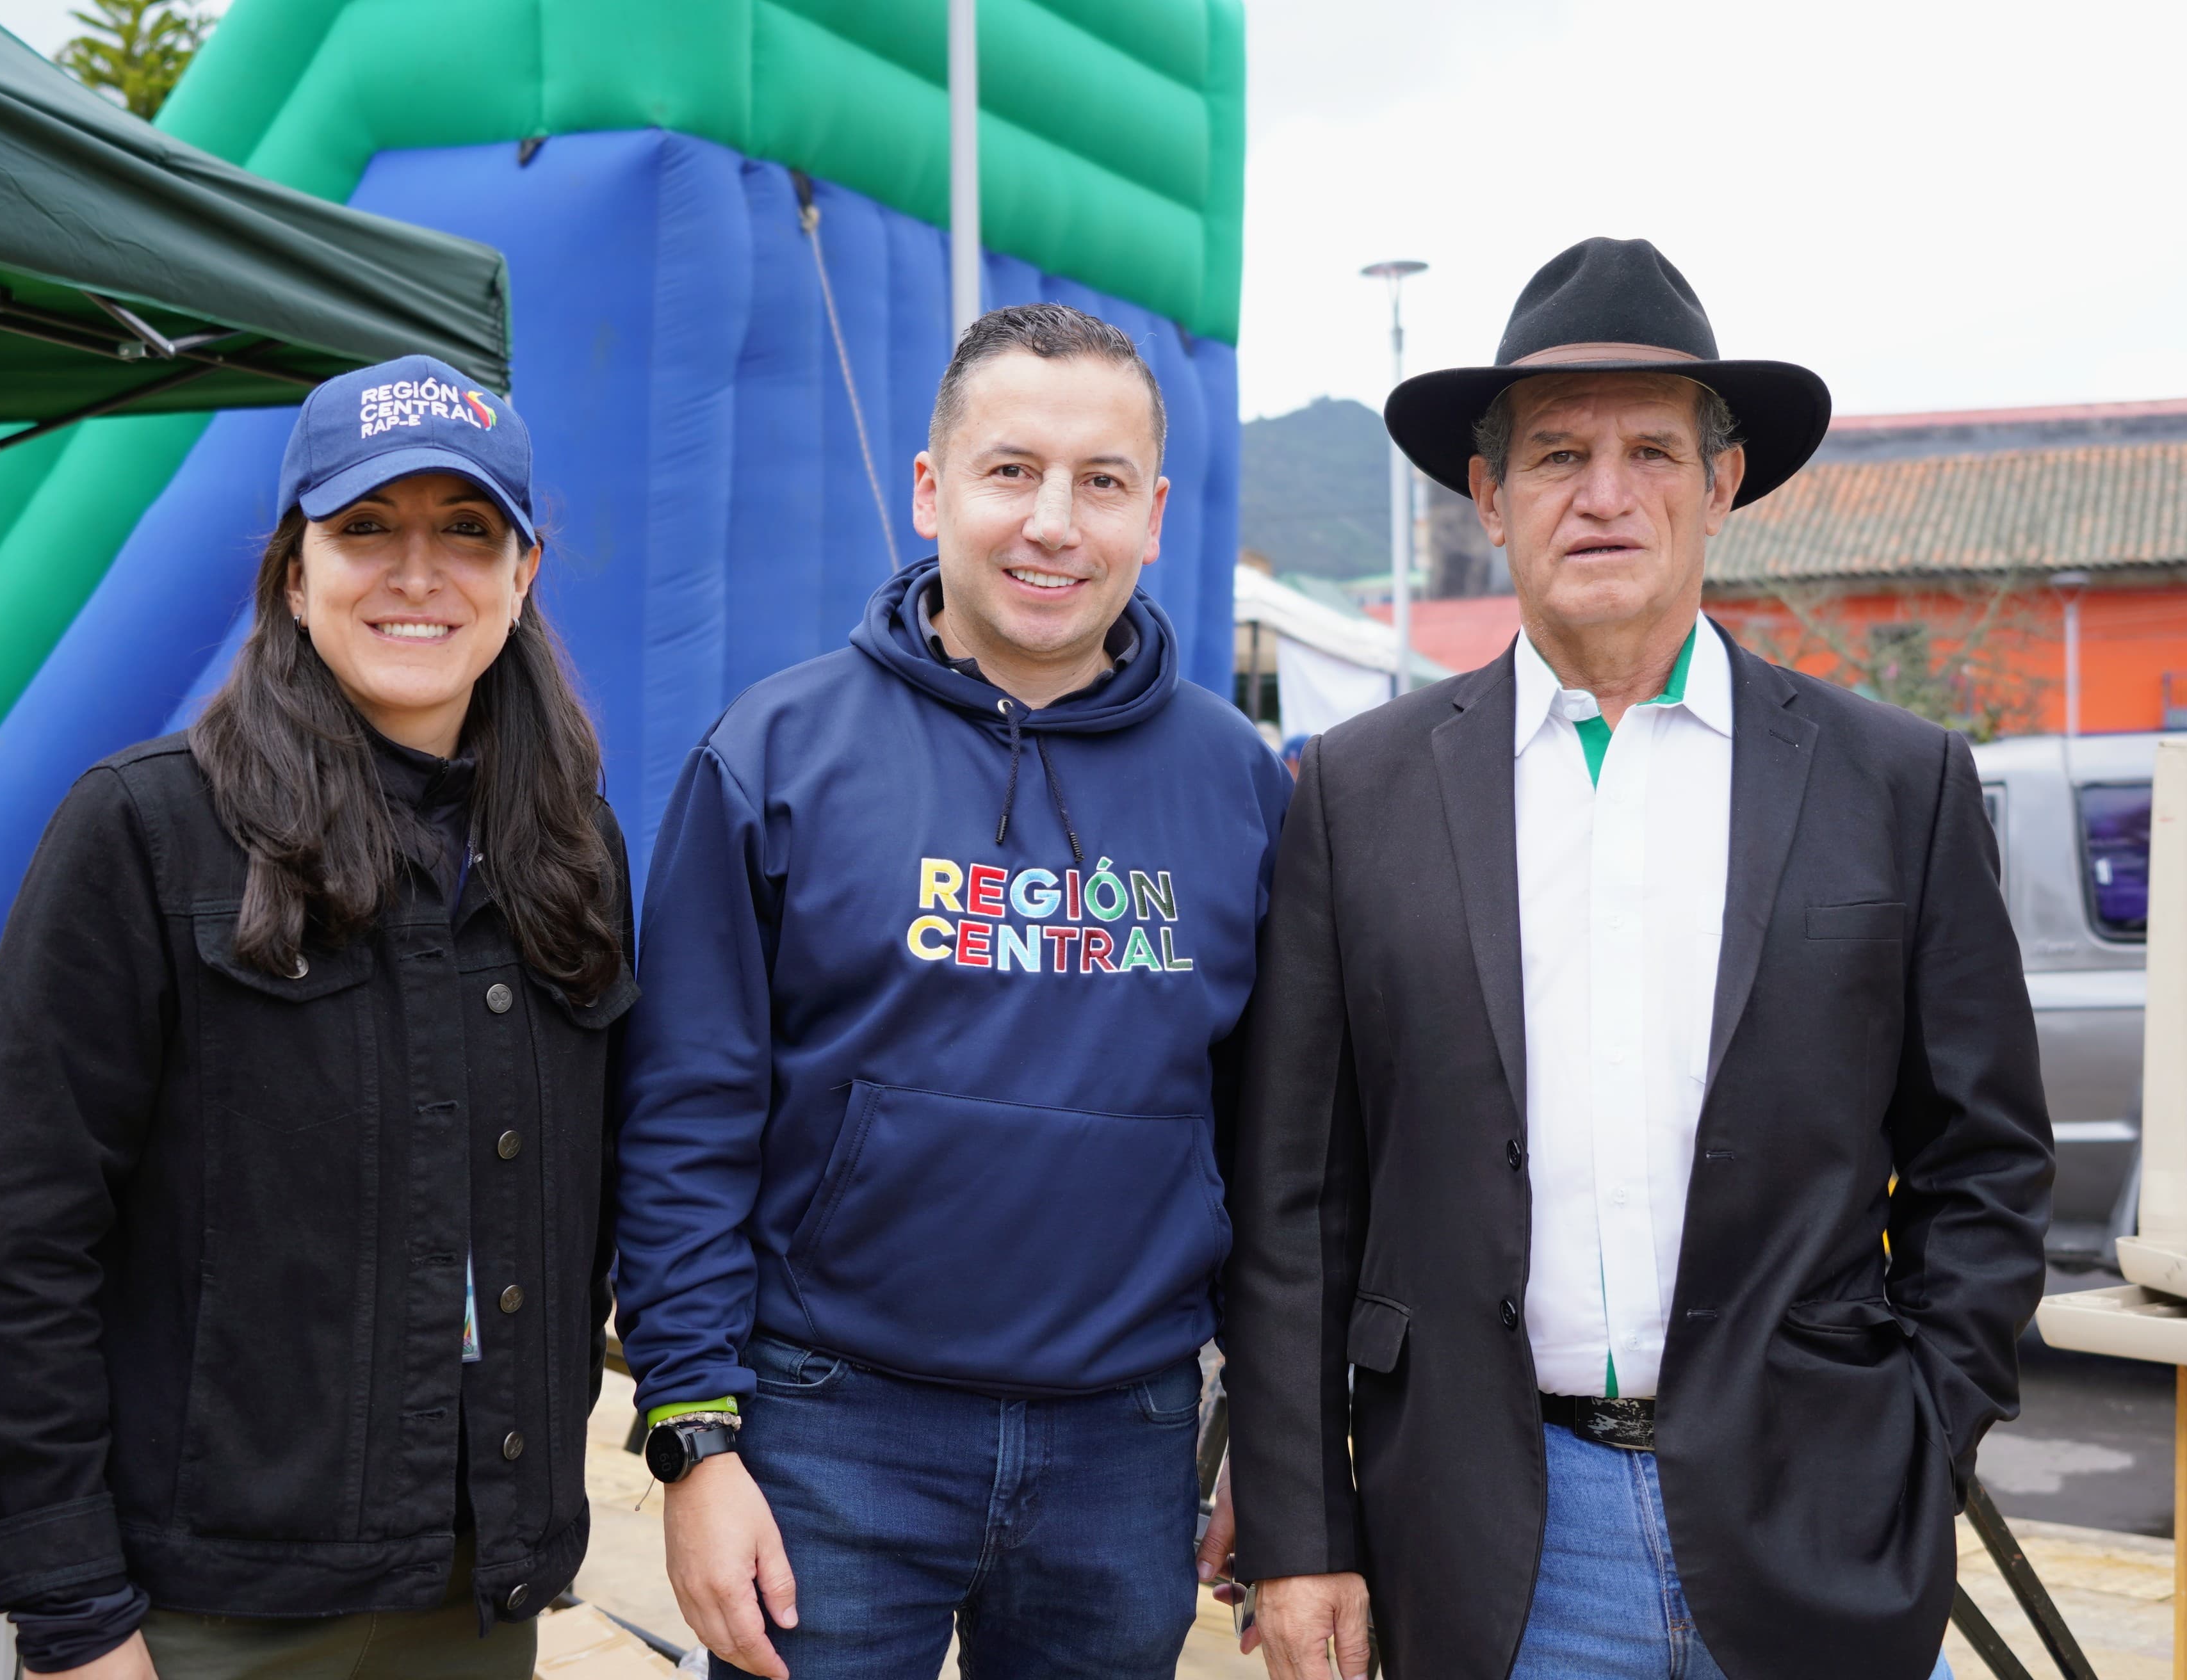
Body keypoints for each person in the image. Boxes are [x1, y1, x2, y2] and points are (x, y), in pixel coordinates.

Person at [1214, 239, 2053, 1680]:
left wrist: (1917, 1442)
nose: (1605, 495)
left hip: (1818, 1525)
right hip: (1484, 1543)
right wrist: (1301, 1533)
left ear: (1721, 484)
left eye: (1652, 451)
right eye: (1557, 455)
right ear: (1490, 495)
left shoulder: (1893, 782)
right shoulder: (1357, 794)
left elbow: (1986, 1163)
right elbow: (1297, 1204)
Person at [615, 302, 1294, 1680]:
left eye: (1101, 481)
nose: (1054, 522)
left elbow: (1278, 1151)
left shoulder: (1239, 784)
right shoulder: (774, 754)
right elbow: (682, 1118)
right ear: (933, 491)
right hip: (828, 1429)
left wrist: (1274, 1443)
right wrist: (693, 1437)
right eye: (1011, 471)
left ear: (1155, 515)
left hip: (1126, 1441)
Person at [0, 355, 634, 1680]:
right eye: (366, 526)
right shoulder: (143, 832)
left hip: (474, 1591)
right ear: (295, 575)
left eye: (466, 530)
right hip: (204, 1611)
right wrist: (73, 1613)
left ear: (523, 576)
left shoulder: (573, 852)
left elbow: (593, 1202)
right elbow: (20, 1246)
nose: (418, 574)